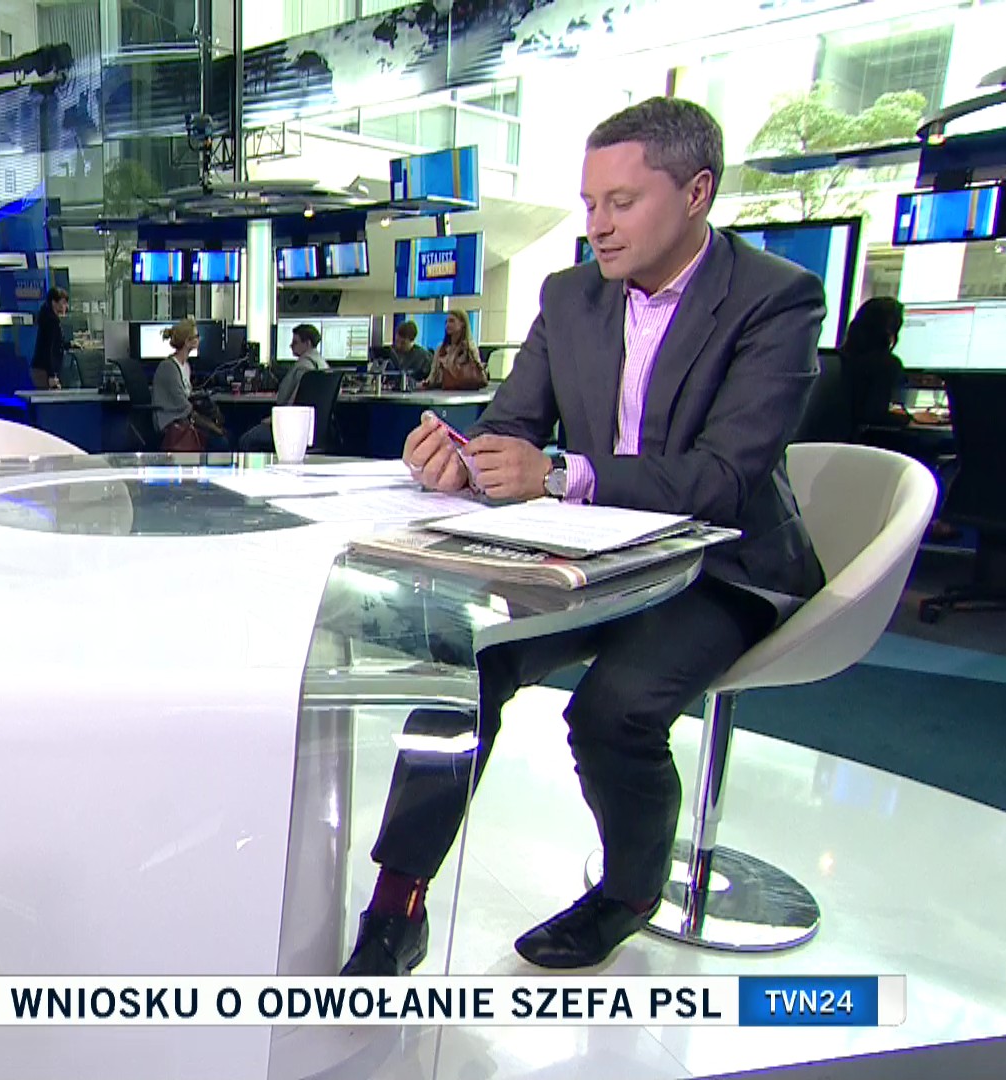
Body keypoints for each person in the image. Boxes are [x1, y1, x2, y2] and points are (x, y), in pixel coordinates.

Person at [345, 97, 826, 977]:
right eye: (590, 203)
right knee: (464, 669)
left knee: (613, 712)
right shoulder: (570, 297)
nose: (597, 225)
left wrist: (562, 474)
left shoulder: (776, 299)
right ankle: (396, 907)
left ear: (696, 193)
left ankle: (629, 894)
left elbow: (725, 478)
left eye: (621, 202)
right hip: (592, 556)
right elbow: (512, 425)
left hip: (726, 565)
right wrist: (462, 460)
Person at [239, 324, 328, 452]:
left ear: (307, 343)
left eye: (295, 342)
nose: (291, 346)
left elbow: (295, 404)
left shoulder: (303, 368)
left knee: (246, 440)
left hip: (290, 428)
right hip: (313, 430)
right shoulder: (322, 364)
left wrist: (274, 420)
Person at [151, 319, 227, 451]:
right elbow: (185, 409)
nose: (199, 339)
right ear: (187, 341)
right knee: (220, 442)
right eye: (196, 336)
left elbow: (188, 399)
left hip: (185, 419)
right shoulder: (168, 368)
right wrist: (213, 428)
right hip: (172, 423)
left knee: (223, 434)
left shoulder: (186, 366)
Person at [840, 297, 909, 433]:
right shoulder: (887, 364)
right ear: (890, 331)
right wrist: (906, 418)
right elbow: (874, 416)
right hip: (860, 441)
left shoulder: (839, 358)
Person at [422, 311, 485, 390]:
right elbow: (433, 373)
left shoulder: (469, 347)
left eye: (452, 321)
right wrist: (427, 383)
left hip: (465, 391)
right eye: (446, 322)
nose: (448, 325)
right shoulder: (441, 348)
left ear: (462, 324)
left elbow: (477, 369)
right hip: (442, 390)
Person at [31, 288, 70, 390]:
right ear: (54, 303)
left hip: (41, 369)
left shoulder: (47, 318)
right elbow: (50, 349)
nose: (66, 306)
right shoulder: (51, 322)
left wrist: (69, 344)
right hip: (44, 371)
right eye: (63, 302)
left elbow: (55, 343)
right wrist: (51, 375)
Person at [391, 319, 434, 384]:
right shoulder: (391, 353)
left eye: (403, 343)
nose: (399, 346)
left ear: (412, 340)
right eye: (397, 341)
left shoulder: (423, 357)